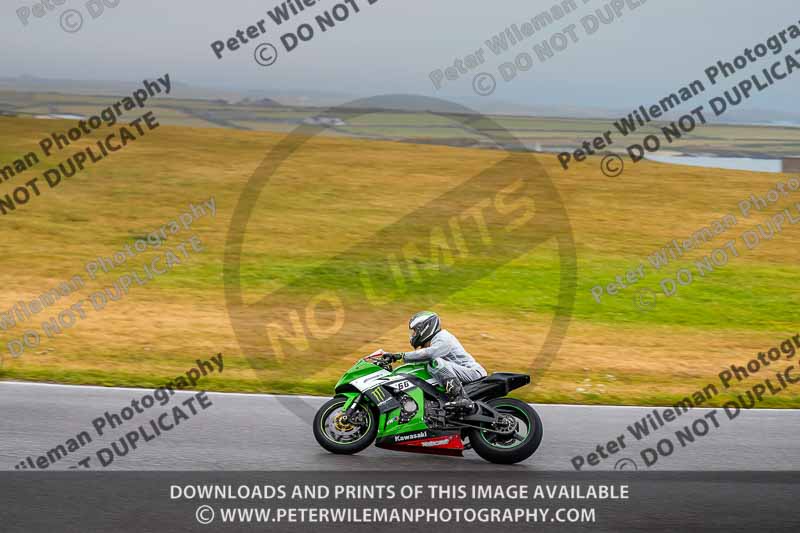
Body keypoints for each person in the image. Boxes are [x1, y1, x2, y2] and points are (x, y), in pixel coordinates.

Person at [386, 311, 487, 410]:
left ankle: (461, 398)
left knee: (436, 363)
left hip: (473, 373)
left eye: (415, 331)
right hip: (461, 373)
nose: (413, 335)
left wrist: (400, 356)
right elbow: (420, 358)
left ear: (425, 328)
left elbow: (430, 354)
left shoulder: (443, 337)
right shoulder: (433, 342)